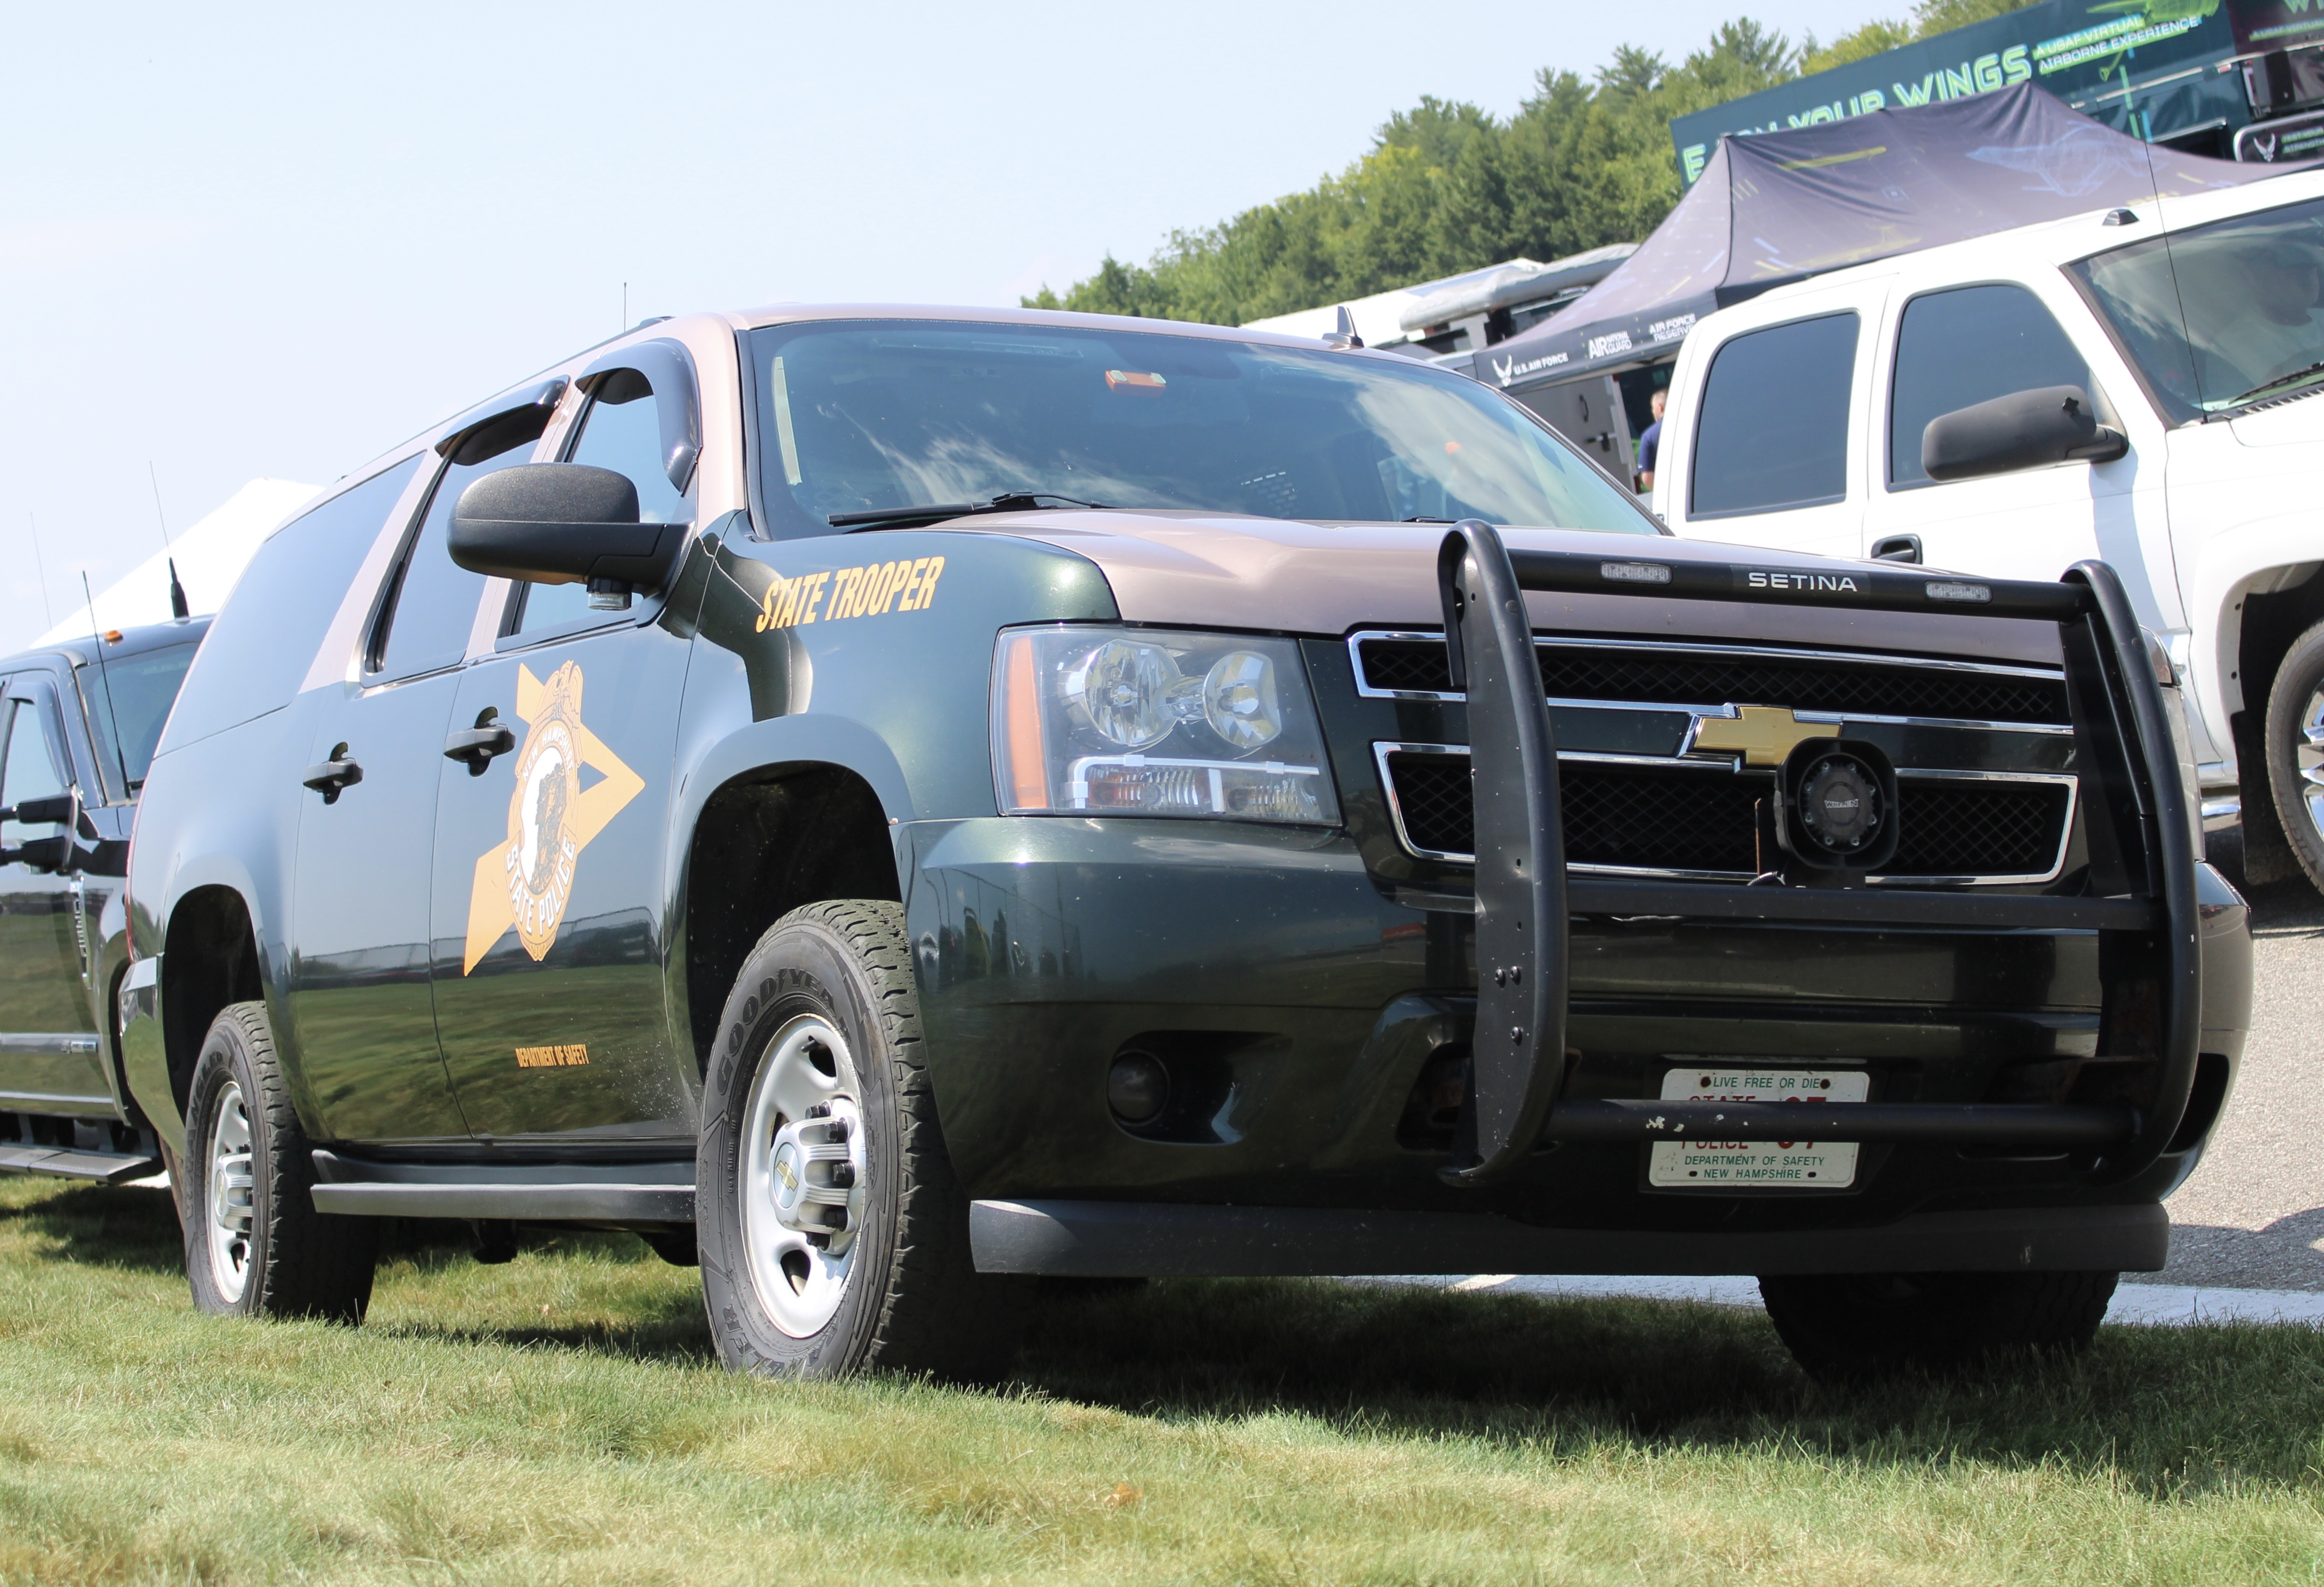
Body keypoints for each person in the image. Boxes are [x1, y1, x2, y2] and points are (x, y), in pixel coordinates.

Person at [1635, 387, 1667, 493]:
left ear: (1661, 407)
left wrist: (1666, 492)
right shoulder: (1694, 426)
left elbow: (1648, 478)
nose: (1653, 411)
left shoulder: (1649, 436)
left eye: (1653, 408)